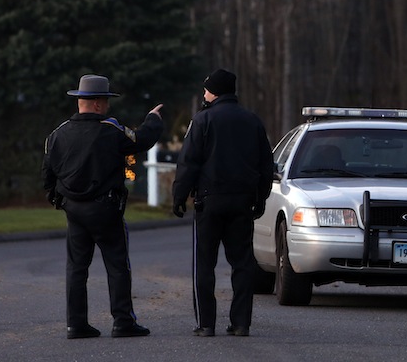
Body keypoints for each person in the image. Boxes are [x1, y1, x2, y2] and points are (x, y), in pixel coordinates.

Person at [41, 74, 163, 339]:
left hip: (74, 210)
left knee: (76, 268)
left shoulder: (57, 134)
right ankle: (122, 322)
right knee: (117, 265)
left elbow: (47, 175)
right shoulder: (110, 130)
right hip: (106, 210)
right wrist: (153, 119)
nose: (107, 106)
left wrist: (58, 199)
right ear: (96, 104)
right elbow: (141, 140)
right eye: (105, 101)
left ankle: (76, 324)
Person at [172, 68, 273, 338]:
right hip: (242, 201)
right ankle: (241, 323)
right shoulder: (252, 121)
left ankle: (206, 323)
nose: (203, 93)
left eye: (206, 89)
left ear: (214, 91)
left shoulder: (203, 120)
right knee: (242, 263)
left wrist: (179, 196)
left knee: (205, 263)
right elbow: (266, 165)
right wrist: (260, 198)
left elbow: (188, 162)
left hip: (209, 201)